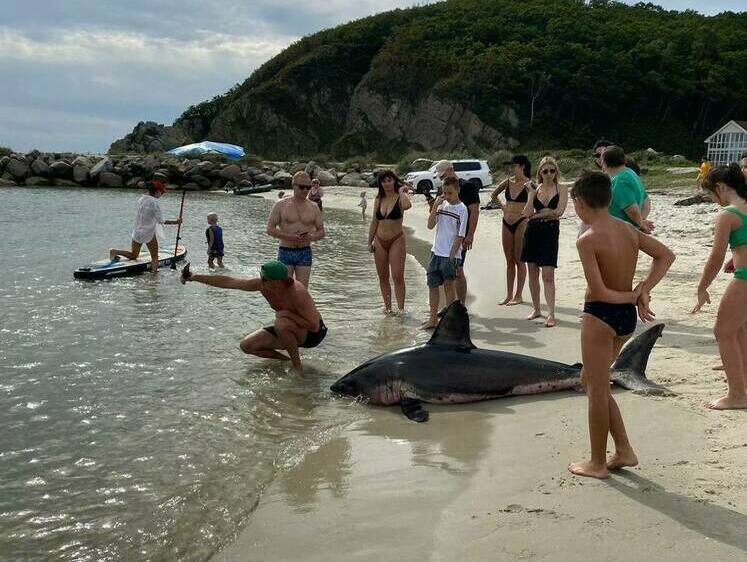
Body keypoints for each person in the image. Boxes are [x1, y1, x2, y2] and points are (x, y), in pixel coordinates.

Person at [568, 171, 674, 479]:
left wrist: (633, 294)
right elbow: (666, 256)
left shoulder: (587, 239)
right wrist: (644, 289)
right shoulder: (628, 230)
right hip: (626, 319)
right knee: (591, 381)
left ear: (579, 203)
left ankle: (597, 463)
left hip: (600, 315)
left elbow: (599, 291)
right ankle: (624, 450)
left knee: (597, 390)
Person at [180, 260, 326, 374]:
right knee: (247, 345)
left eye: (264, 279)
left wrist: (288, 314)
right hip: (292, 329)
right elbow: (229, 282)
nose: (260, 281)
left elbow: (314, 325)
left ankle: (297, 367)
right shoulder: (261, 284)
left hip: (314, 334)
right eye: (261, 277)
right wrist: (195, 277)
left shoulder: (297, 292)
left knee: (281, 324)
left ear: (278, 282)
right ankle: (286, 361)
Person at [691, 164, 747, 410]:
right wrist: (735, 258)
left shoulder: (727, 214)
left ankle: (736, 394)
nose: (715, 201)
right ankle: (743, 384)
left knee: (723, 331)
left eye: (712, 195)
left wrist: (702, 287)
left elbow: (714, 256)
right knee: (740, 329)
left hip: (745, 278)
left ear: (721, 188)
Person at [521, 157, 568, 327]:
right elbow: (526, 213)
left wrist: (538, 214)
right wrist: (531, 195)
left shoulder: (562, 188)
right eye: (545, 171)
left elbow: (558, 212)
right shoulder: (535, 188)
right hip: (532, 231)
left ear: (556, 171)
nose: (549, 174)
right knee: (532, 272)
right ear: (540, 172)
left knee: (548, 274)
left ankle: (551, 313)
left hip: (550, 231)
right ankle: (536, 308)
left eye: (552, 170)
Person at [422, 177, 468, 329]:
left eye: (450, 193)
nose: (447, 196)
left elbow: (460, 235)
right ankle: (433, 319)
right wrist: (435, 206)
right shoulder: (441, 205)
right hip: (436, 251)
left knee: (449, 287)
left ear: (457, 191)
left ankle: (449, 321)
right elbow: (429, 225)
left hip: (450, 254)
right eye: (444, 192)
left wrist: (452, 255)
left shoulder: (462, 209)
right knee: (432, 285)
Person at [266, 171, 325, 287]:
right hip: (285, 251)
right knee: (284, 289)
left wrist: (311, 237)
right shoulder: (281, 205)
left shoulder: (314, 207)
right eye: (301, 187)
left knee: (302, 290)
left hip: (304, 251)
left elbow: (322, 231)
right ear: (293, 186)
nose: (305, 190)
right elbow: (270, 229)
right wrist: (290, 237)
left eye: (308, 187)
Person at [433, 160, 480, 305]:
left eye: (443, 175)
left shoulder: (468, 186)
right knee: (448, 274)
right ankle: (451, 306)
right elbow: (438, 212)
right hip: (443, 239)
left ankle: (461, 305)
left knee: (458, 270)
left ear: (451, 169)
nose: (441, 179)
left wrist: (470, 234)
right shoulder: (443, 188)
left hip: (461, 236)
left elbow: (474, 211)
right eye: (440, 177)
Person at [109, 180, 181, 273]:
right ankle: (154, 278)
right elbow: (161, 221)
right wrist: (176, 222)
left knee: (134, 255)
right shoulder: (154, 203)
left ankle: (115, 251)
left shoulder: (141, 199)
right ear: (157, 192)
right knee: (154, 257)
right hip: (148, 233)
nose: (162, 195)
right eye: (162, 192)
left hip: (137, 231)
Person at [490, 155, 533, 306]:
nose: (511, 168)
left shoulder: (529, 183)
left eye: (513, 166)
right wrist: (503, 207)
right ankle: (508, 294)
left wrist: (527, 213)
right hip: (506, 221)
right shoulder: (508, 181)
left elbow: (533, 202)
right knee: (509, 260)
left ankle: (519, 295)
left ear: (522, 167)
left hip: (521, 221)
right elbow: (494, 194)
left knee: (519, 259)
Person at [368, 170, 412, 315]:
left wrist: (401, 192)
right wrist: (369, 241)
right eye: (383, 181)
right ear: (380, 183)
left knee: (398, 276)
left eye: (389, 180)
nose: (387, 184)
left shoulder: (399, 198)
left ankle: (400, 309)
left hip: (396, 240)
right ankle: (388, 309)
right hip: (379, 240)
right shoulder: (378, 199)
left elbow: (407, 206)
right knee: (383, 276)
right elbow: (374, 221)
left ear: (394, 181)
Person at [602, 146, 654, 233]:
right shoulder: (631, 173)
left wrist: (640, 224)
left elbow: (631, 209)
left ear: (605, 163)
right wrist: (642, 220)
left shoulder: (620, 181)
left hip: (622, 231)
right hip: (631, 228)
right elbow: (647, 201)